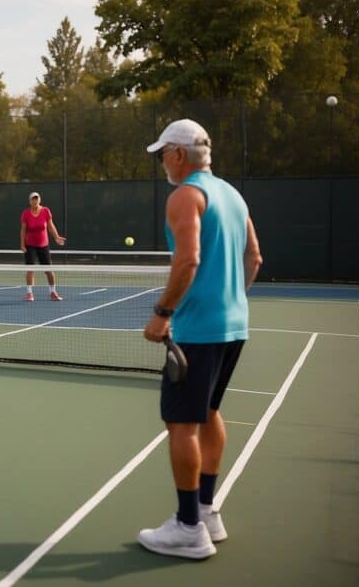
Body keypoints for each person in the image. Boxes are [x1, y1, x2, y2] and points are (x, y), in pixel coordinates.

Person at [137, 119, 263, 559]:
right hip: (234, 326)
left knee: (182, 425)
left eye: (162, 155)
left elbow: (188, 260)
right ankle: (207, 511)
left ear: (178, 155)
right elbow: (255, 257)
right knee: (209, 413)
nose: (161, 165)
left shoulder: (185, 196)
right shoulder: (232, 194)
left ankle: (189, 527)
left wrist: (162, 314)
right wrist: (230, 301)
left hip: (197, 331)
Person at [19, 192, 65, 301]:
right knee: (30, 269)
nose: (35, 200)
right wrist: (22, 245)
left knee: (48, 270)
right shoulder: (26, 213)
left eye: (36, 198)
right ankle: (29, 293)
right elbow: (23, 230)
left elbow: (50, 226)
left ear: (39, 200)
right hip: (29, 245)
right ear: (30, 201)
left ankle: (53, 292)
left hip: (43, 245)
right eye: (33, 199)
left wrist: (57, 237)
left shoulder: (46, 211)